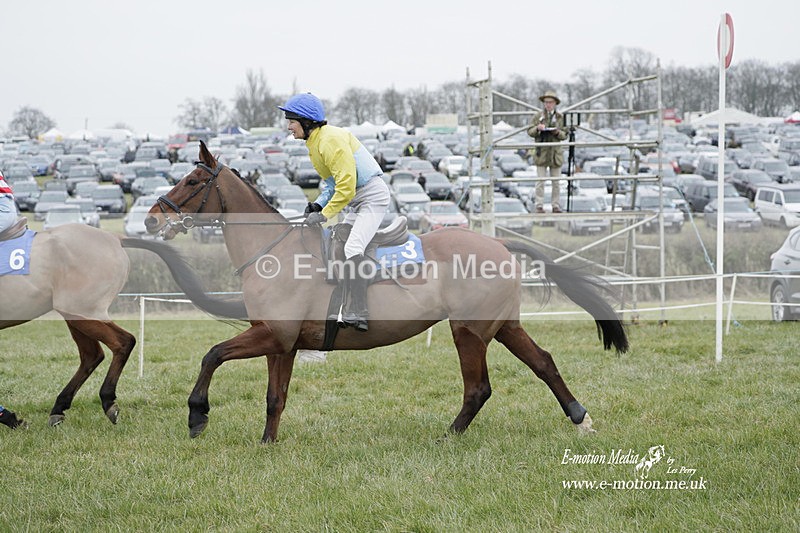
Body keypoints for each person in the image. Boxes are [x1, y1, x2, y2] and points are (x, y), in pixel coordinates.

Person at [278, 93, 390, 332]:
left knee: (352, 248)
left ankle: (359, 312)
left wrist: (325, 214)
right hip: (357, 200)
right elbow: (332, 185)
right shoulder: (316, 143)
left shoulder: (329, 141)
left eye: (291, 121)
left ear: (307, 122)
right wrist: (317, 204)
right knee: (336, 245)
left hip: (371, 198)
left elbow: (346, 187)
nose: (288, 126)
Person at [527, 90, 568, 213]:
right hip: (541, 153)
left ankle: (555, 205)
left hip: (555, 154)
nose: (548, 104)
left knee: (556, 182)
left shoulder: (560, 117)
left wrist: (557, 132)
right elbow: (529, 131)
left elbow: (565, 134)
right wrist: (537, 129)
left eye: (550, 102)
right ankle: (539, 205)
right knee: (540, 181)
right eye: (546, 102)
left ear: (555, 103)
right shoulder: (537, 116)